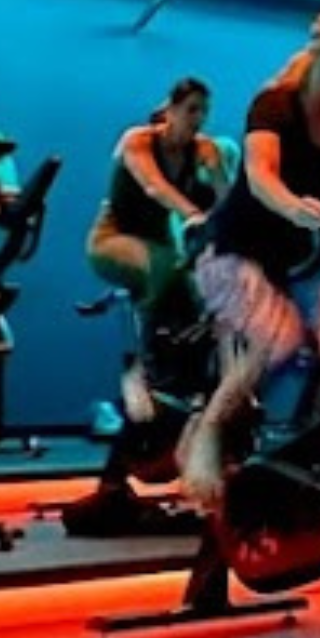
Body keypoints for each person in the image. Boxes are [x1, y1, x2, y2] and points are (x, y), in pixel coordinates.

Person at [181, 6, 320, 494]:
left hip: (295, 257)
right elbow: (261, 175)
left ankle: (312, 446)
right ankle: (204, 441)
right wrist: (295, 208)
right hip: (230, 250)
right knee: (275, 340)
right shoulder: (275, 104)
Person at [89, 77, 227, 418]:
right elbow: (153, 186)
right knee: (166, 270)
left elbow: (226, 200)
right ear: (171, 110)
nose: (199, 118)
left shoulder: (202, 149)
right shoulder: (137, 141)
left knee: (201, 297)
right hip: (113, 238)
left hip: (160, 244)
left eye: (205, 111)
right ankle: (148, 374)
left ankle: (189, 385)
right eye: (192, 109)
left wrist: (217, 170)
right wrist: (194, 215)